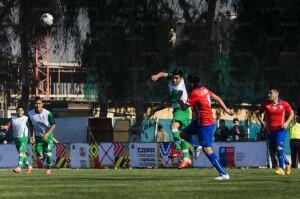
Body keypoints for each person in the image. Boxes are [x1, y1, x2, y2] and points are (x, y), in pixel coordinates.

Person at [180, 76, 234, 180]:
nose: (187, 84)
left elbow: (183, 107)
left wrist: (179, 98)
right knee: (183, 134)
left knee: (207, 149)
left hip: (205, 123)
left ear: (191, 84)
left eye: (188, 83)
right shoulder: (205, 90)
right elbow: (217, 98)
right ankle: (196, 145)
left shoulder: (194, 93)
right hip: (200, 121)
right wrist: (226, 110)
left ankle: (223, 174)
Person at [151, 68, 201, 168]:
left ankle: (178, 149)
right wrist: (157, 75)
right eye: (173, 78)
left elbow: (168, 103)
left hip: (181, 110)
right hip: (180, 111)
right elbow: (164, 73)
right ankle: (188, 156)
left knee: (173, 126)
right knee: (183, 136)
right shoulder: (172, 79)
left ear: (181, 78)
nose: (174, 80)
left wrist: (156, 109)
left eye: (176, 78)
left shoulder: (179, 90)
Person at [256, 88, 294, 175]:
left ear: (276, 94)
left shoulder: (284, 104)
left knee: (279, 147)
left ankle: (281, 168)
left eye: (270, 93)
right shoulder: (265, 104)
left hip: (281, 129)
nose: (268, 94)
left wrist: (287, 122)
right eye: (268, 93)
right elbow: (258, 113)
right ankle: (287, 163)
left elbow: (291, 113)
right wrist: (263, 123)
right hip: (270, 130)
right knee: (273, 151)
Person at [28, 96, 56, 175]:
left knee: (48, 152)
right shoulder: (30, 114)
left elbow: (53, 125)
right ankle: (42, 157)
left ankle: (48, 168)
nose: (38, 105)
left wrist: (47, 134)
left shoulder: (48, 113)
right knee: (39, 156)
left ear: (42, 104)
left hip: (48, 136)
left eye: (39, 103)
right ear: (34, 104)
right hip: (38, 137)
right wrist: (31, 136)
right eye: (36, 104)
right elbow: (31, 126)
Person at [0, 106, 33, 173]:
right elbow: (8, 126)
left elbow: (31, 127)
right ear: (16, 111)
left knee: (21, 151)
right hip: (16, 138)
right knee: (22, 153)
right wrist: (4, 127)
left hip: (23, 137)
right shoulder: (13, 119)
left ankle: (19, 167)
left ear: (23, 112)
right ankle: (29, 166)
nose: (19, 112)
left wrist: (32, 136)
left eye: (21, 110)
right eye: (18, 110)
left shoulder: (26, 118)